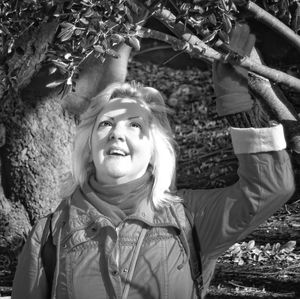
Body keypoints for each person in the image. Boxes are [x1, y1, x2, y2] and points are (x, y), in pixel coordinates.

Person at [11, 23, 295, 299]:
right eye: (106, 124)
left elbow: (268, 189)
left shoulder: (190, 219)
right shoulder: (48, 235)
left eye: (134, 125)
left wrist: (237, 105)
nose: (117, 134)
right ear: (88, 144)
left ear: (154, 150)